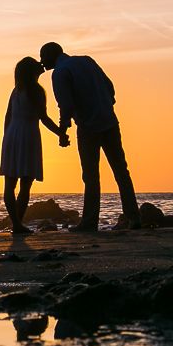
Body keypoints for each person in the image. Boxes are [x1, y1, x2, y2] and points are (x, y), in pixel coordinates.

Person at [38, 42, 140, 232]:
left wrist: (63, 130)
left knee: (91, 176)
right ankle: (134, 217)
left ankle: (89, 221)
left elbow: (65, 105)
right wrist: (107, 105)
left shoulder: (59, 73)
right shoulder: (87, 61)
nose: (41, 62)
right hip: (109, 121)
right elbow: (110, 87)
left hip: (88, 127)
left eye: (42, 58)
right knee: (121, 172)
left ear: (50, 56)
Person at [0, 56, 69, 234]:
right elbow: (43, 118)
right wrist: (60, 132)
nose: (40, 64)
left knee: (10, 184)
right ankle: (17, 224)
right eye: (36, 64)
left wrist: (7, 137)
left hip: (12, 135)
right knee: (25, 185)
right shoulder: (36, 90)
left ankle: (16, 223)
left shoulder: (16, 91)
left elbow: (7, 116)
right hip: (28, 135)